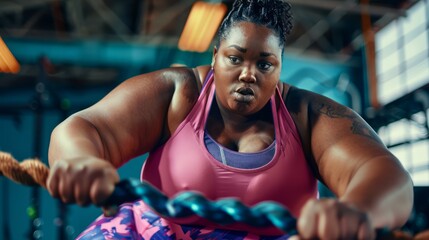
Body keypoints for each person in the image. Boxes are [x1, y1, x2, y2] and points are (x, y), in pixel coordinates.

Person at [46, 0, 414, 239]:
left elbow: (384, 173)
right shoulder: (178, 93)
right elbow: (86, 128)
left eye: (264, 64)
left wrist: (356, 210)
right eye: (235, 58)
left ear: (280, 67)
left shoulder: (308, 116)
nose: (248, 74)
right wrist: (80, 161)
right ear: (216, 54)